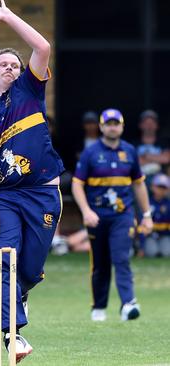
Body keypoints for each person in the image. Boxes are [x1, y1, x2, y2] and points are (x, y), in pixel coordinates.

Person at [0, 1, 65, 361]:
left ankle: (19, 294)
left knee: (29, 269)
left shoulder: (30, 90)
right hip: (8, 197)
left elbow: (42, 48)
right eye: (4, 65)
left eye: (15, 64)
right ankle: (14, 336)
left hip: (43, 193)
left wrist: (9, 17)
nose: (11, 68)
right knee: (1, 259)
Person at [71, 108, 153, 322]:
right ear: (101, 127)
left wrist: (146, 214)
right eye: (109, 124)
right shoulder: (91, 153)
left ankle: (129, 304)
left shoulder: (130, 152)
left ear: (122, 127)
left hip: (122, 216)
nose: (113, 127)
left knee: (121, 258)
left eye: (116, 123)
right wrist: (86, 211)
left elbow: (139, 185)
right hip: (97, 217)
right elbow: (77, 185)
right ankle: (98, 307)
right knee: (100, 264)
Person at [135, 110, 170, 179]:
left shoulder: (165, 143)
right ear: (140, 125)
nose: (149, 126)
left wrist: (145, 156)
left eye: (152, 123)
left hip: (161, 180)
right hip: (139, 179)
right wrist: (158, 158)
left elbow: (167, 158)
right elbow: (132, 162)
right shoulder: (134, 144)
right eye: (146, 123)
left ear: (157, 125)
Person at [143, 173, 170, 257]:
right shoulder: (147, 202)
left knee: (166, 253)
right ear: (152, 187)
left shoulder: (168, 203)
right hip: (150, 235)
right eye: (159, 187)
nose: (161, 190)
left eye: (163, 188)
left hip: (165, 235)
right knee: (152, 252)